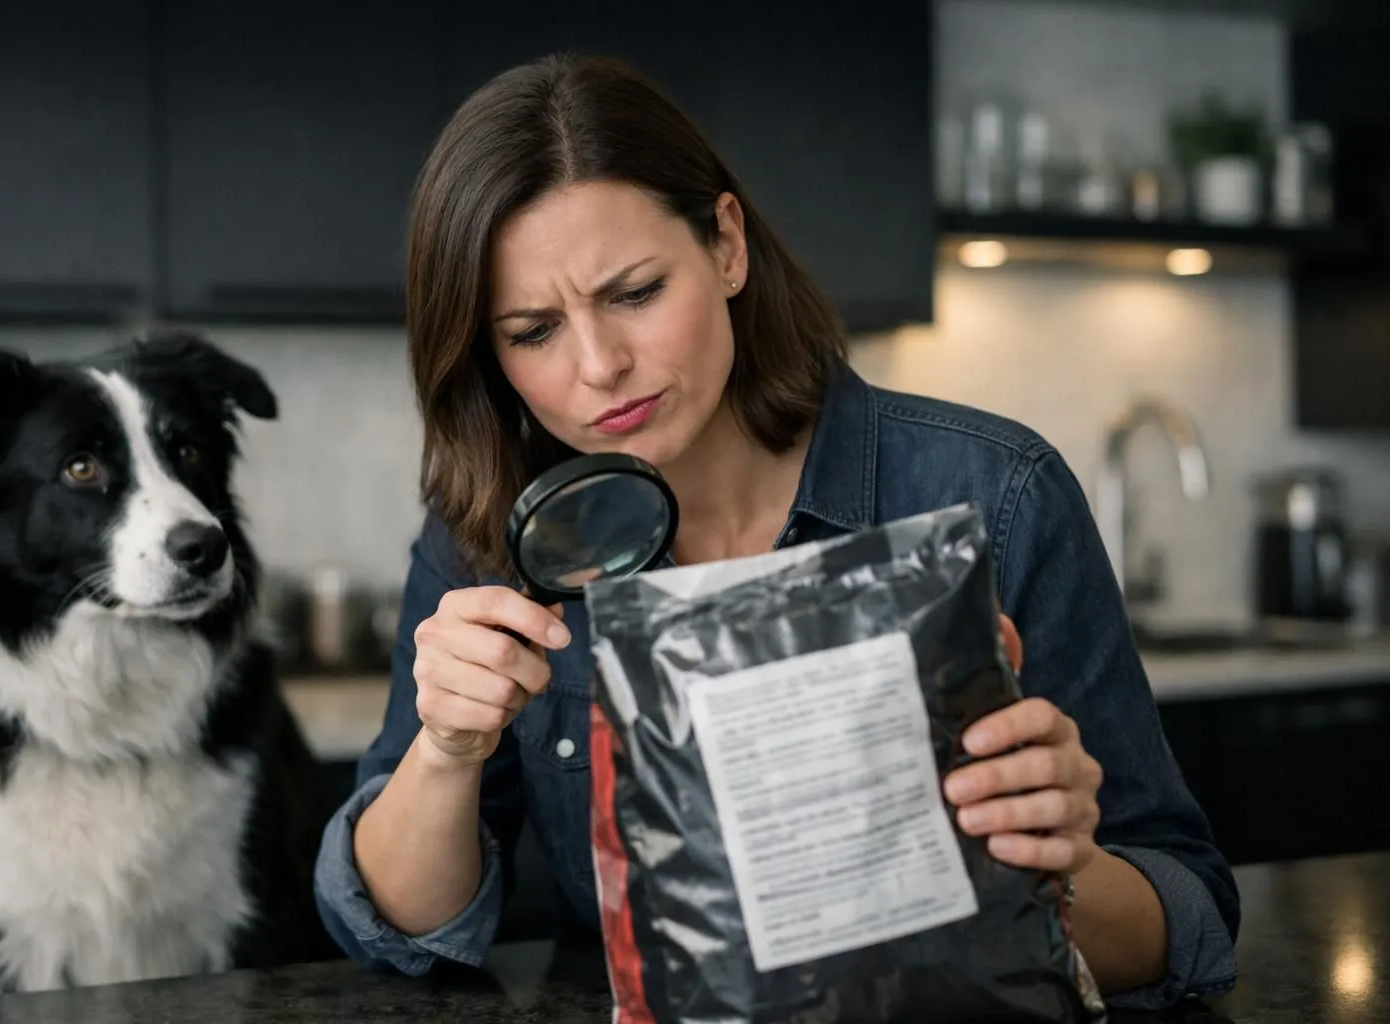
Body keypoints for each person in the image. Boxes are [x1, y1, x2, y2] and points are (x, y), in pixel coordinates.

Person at [313, 52, 1239, 1010]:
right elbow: (393, 930)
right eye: (532, 331)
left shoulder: (996, 492)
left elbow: (1191, 916)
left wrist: (1060, 862)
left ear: (725, 246)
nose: (600, 366)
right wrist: (445, 751)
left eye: (634, 293)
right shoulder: (488, 537)